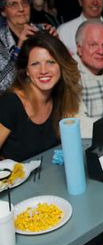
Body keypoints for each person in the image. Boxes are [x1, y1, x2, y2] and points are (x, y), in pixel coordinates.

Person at [0, 31, 81, 161]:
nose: (43, 70)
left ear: (61, 65)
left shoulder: (59, 97)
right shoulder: (10, 103)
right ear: (26, 70)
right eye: (35, 64)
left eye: (51, 62)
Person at [0, 0, 57, 93]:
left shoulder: (44, 30)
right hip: (14, 105)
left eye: (24, 3)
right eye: (13, 4)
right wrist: (18, 47)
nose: (21, 9)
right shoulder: (1, 41)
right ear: (3, 12)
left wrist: (57, 47)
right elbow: (3, 85)